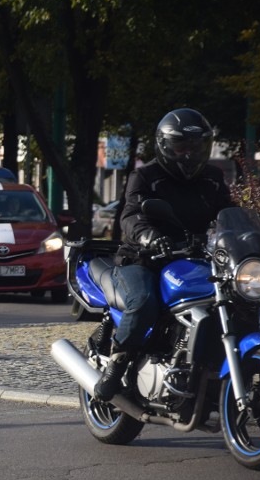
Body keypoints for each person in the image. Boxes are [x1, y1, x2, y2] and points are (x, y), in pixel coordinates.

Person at [93, 108, 233, 401]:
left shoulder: (212, 178)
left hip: (192, 258)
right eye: (182, 146)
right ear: (165, 146)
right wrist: (148, 236)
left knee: (235, 297)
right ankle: (116, 366)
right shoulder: (146, 176)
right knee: (144, 302)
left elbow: (228, 214)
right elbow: (130, 215)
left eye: (196, 147)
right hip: (144, 259)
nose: (188, 154)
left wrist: (248, 235)